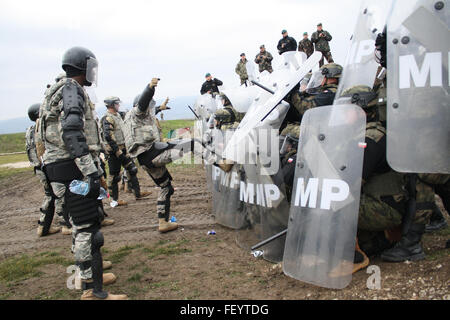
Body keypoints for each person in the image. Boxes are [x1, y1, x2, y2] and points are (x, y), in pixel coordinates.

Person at [38, 46, 127, 300]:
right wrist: (91, 172)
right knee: (89, 230)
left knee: (79, 229)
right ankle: (93, 292)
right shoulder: (72, 89)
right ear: (83, 67)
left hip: (59, 170)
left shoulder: (56, 89)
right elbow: (72, 132)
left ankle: (84, 275)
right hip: (72, 169)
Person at [340, 85, 435, 262]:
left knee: (335, 204)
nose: (343, 114)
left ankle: (348, 256)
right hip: (382, 202)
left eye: (348, 109)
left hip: (385, 208)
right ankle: (379, 241)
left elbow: (350, 182)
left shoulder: (370, 138)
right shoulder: (362, 134)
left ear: (363, 110)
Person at [101, 97, 151, 208]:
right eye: (117, 104)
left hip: (123, 148)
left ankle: (137, 194)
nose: (118, 105)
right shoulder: (108, 118)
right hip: (114, 151)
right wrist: (117, 151)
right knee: (114, 176)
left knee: (132, 169)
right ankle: (114, 200)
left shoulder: (118, 116)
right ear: (111, 105)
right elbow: (108, 136)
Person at [26, 103, 62, 237]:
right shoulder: (38, 128)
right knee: (57, 194)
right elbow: (41, 148)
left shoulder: (30, 129)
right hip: (45, 166)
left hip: (39, 167)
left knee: (50, 195)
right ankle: (64, 224)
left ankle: (43, 226)